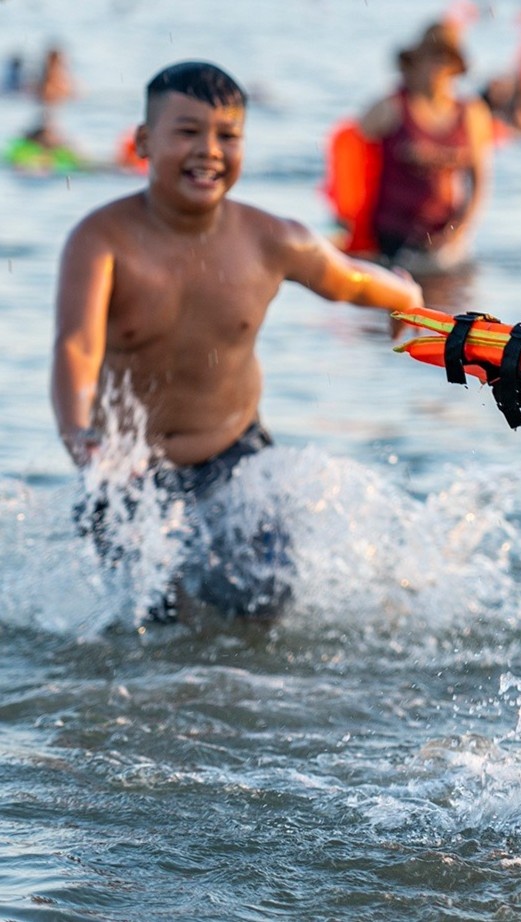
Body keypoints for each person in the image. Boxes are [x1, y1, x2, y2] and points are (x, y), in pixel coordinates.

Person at [50, 61, 424, 623]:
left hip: (236, 459)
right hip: (130, 467)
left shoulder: (270, 239)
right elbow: (75, 347)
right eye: (188, 132)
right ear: (144, 142)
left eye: (228, 135)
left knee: (261, 611)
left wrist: (405, 296)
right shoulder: (101, 241)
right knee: (149, 628)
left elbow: (348, 278)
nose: (210, 150)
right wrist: (80, 436)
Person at [358, 21, 493, 274]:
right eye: (431, 59)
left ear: (454, 68)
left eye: (443, 61)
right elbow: (350, 153)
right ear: (415, 62)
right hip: (391, 240)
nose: (436, 68)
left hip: (444, 241)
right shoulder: (391, 107)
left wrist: (458, 231)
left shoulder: (471, 114)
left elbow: (480, 183)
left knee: (452, 306)